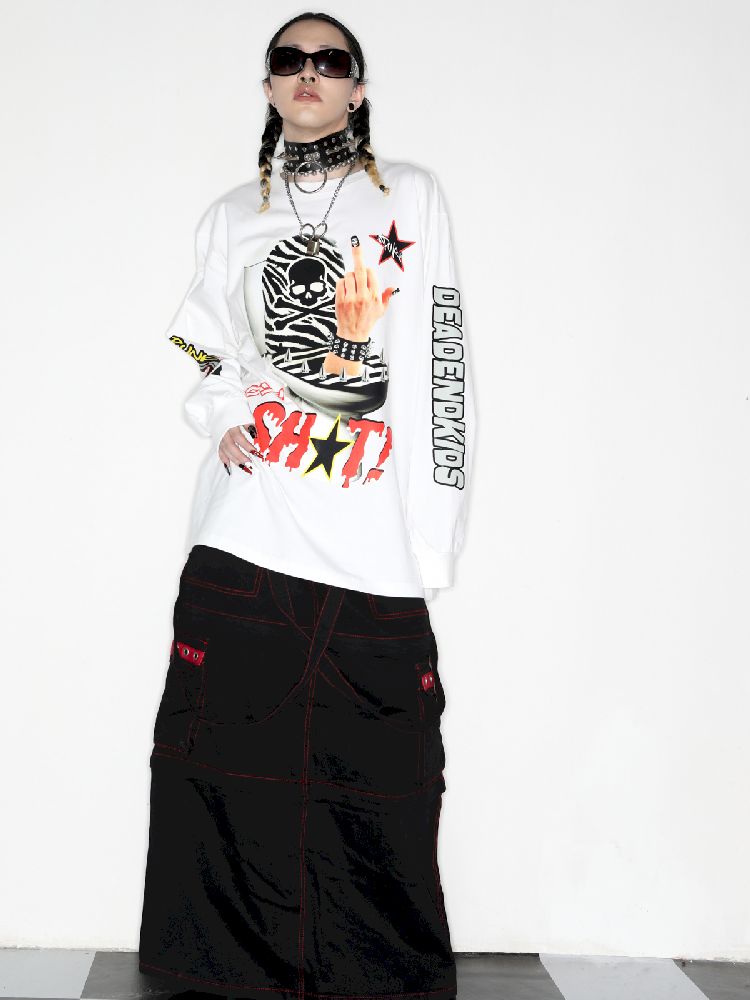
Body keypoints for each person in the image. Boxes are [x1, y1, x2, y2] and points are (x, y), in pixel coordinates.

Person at [137, 12, 475, 1000]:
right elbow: (193, 337)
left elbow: (441, 368)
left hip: (371, 548)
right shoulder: (231, 216)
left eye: (331, 61)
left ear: (358, 88)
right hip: (246, 537)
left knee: (384, 790)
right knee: (219, 780)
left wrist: (434, 538)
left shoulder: (408, 198)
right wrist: (225, 408)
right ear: (270, 86)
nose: (309, 74)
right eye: (289, 60)